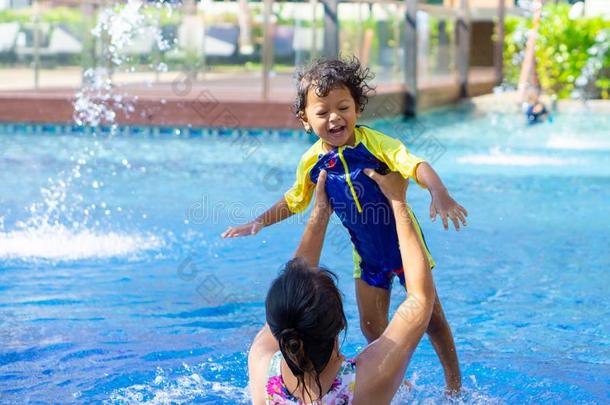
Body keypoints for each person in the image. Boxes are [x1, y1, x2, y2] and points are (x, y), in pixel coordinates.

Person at [225, 57, 465, 392]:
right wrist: (259, 222)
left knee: (433, 319)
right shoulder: (312, 162)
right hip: (366, 256)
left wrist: (439, 192)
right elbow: (295, 200)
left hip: (404, 247)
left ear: (358, 109)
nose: (335, 117)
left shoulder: (375, 145)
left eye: (344, 107)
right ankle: (391, 381)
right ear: (305, 120)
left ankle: (454, 385)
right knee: (370, 326)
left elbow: (415, 164)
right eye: (322, 112)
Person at [248, 169, 436, 404]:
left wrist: (321, 212)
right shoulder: (368, 378)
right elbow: (420, 300)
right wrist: (398, 201)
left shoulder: (262, 366)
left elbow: (290, 293)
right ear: (341, 324)